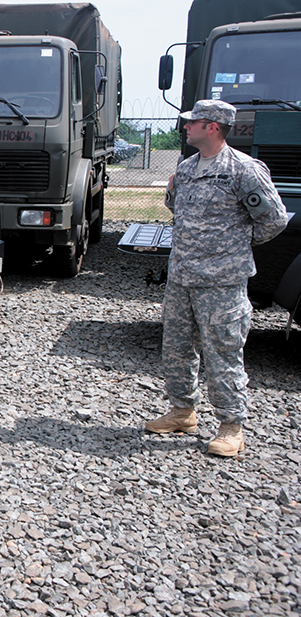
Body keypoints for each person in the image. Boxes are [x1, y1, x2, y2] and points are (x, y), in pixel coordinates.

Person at [145, 99, 288, 457]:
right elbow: (176, 206)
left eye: (193, 123)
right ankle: (182, 412)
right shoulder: (188, 167)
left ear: (213, 127)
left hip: (222, 282)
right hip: (182, 277)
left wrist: (233, 247)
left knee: (223, 352)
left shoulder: (244, 170)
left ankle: (231, 426)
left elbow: (274, 219)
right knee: (177, 350)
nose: (186, 127)